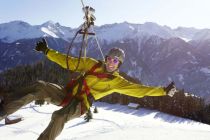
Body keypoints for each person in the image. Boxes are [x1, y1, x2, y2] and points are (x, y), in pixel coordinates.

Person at [0, 39, 176, 140]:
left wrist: (162, 91)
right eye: (109, 58)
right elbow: (69, 61)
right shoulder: (92, 64)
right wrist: (47, 51)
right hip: (68, 93)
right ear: (105, 58)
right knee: (40, 86)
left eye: (115, 61)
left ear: (119, 65)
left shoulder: (116, 81)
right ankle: (3, 110)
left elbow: (139, 90)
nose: (111, 62)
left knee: (59, 116)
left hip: (80, 104)